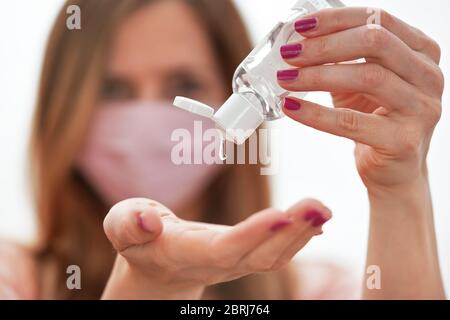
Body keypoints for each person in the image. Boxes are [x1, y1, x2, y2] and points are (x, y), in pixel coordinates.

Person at [0, 0, 445, 300]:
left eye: (184, 83)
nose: (151, 119)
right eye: (113, 88)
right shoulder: (13, 279)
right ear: (63, 109)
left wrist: (399, 186)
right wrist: (151, 286)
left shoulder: (321, 290)